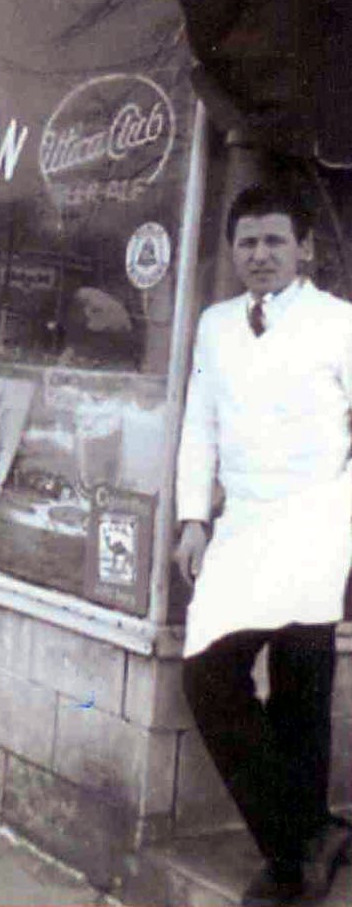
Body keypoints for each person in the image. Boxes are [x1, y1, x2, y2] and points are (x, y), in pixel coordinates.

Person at [174, 181, 352, 906]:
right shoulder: (215, 325)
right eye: (246, 241)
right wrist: (194, 518)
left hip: (317, 522)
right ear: (231, 251)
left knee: (302, 690)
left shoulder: (339, 323)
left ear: (304, 248)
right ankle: (303, 838)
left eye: (274, 239)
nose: (259, 254)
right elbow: (199, 423)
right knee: (208, 676)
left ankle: (291, 866)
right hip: (243, 524)